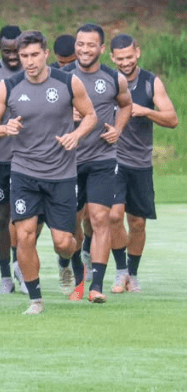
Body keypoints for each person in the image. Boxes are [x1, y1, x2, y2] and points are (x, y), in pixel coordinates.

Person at [0, 30, 97, 314]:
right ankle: (35, 299)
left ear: (46, 54)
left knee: (63, 242)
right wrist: (4, 129)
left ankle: (66, 262)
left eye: (34, 55)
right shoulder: (8, 87)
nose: (29, 61)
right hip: (23, 172)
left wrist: (77, 135)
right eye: (24, 56)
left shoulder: (69, 82)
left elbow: (91, 116)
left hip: (61, 174)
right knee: (25, 236)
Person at [61, 23, 132, 303]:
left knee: (100, 218)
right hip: (68, 162)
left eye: (91, 45)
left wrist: (118, 128)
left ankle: (96, 287)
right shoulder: (62, 77)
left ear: (102, 49)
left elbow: (125, 104)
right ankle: (77, 276)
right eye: (80, 44)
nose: (85, 49)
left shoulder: (115, 79)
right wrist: (69, 118)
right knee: (72, 226)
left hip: (103, 158)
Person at [108, 34, 178, 293]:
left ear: (137, 52)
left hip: (140, 162)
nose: (125, 62)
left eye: (129, 56)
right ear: (112, 57)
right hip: (112, 159)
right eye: (120, 58)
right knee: (114, 215)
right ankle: (120, 271)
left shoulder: (151, 82)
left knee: (137, 223)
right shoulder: (106, 81)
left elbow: (172, 120)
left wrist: (145, 110)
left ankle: (133, 274)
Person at [0, 25, 24, 294]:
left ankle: (22, 268)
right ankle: (4, 275)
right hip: (0, 157)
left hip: (30, 158)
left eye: (16, 50)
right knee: (2, 217)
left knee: (27, 218)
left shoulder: (35, 70)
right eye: (6, 51)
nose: (12, 56)